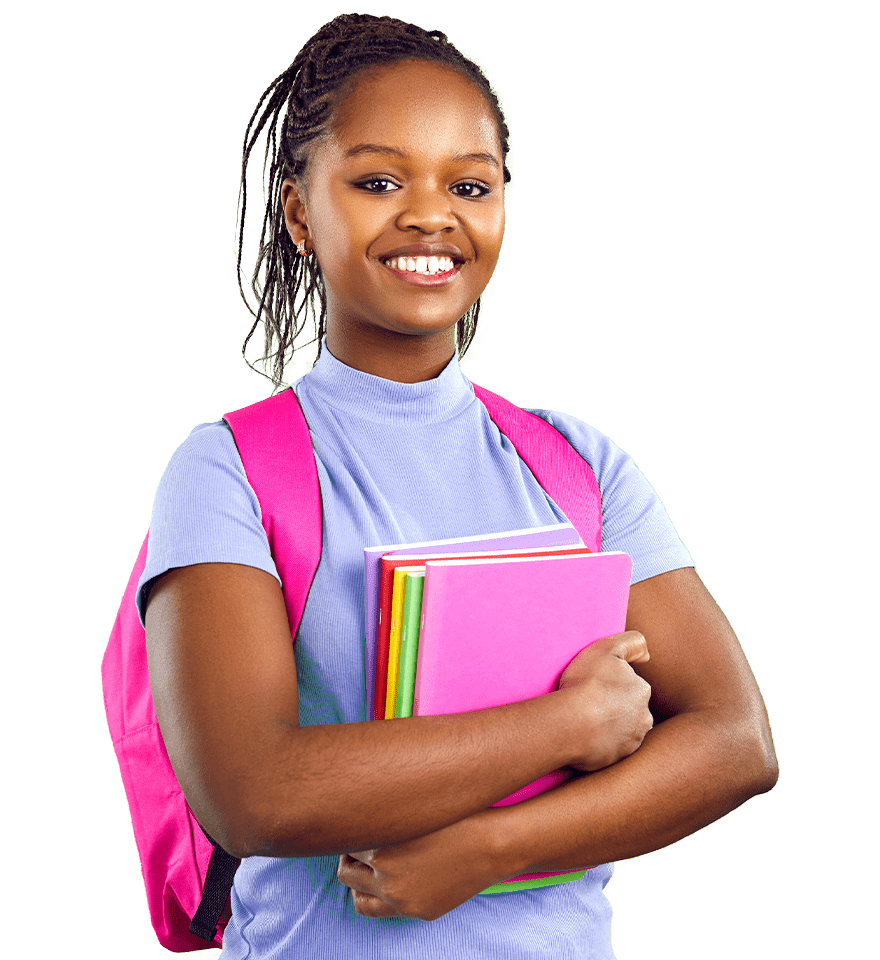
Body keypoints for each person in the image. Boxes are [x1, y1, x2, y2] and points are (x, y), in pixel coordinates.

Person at [139, 13, 778, 959]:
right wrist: (569, 722)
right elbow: (254, 794)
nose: (430, 214)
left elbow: (735, 742)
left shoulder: (579, 466)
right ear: (297, 212)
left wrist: (489, 850)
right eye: (378, 181)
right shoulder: (230, 469)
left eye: (468, 185)